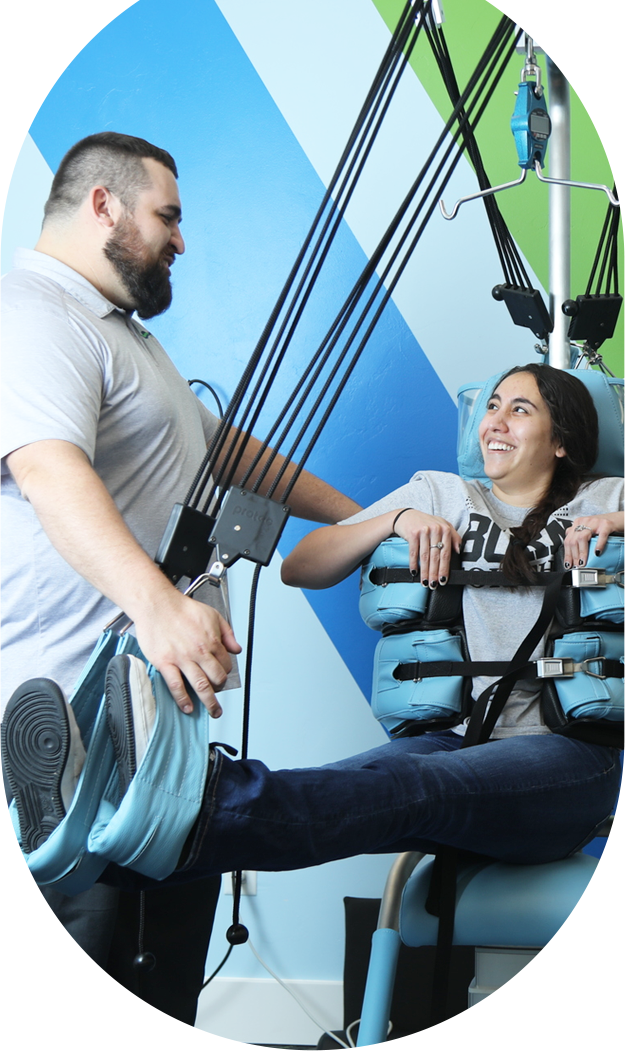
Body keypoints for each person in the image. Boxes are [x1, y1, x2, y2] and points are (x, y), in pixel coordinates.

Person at [0, 131, 362, 1051]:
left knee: (155, 999)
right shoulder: (32, 311)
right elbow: (47, 469)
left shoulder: (125, 338)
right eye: (168, 215)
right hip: (66, 718)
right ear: (102, 205)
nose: (181, 240)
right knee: (47, 998)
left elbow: (228, 453)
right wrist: (160, 608)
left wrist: (369, 519)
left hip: (162, 720)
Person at [4, 365, 623, 897]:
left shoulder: (605, 495)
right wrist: (395, 520)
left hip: (566, 765)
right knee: (358, 788)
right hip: (452, 743)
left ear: (562, 439)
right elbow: (304, 566)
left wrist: (617, 520)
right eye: (491, 407)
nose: (495, 422)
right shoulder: (441, 494)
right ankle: (94, 847)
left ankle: (160, 799)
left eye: (520, 410)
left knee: (409, 784)